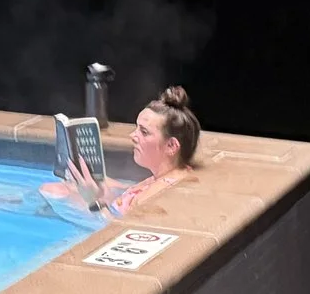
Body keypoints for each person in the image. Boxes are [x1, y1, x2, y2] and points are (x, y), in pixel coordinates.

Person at [44, 85, 201, 219]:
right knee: (61, 188)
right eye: (136, 128)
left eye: (144, 132)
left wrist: (92, 201)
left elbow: (114, 231)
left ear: (171, 146)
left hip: (104, 220)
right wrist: (103, 184)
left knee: (52, 191)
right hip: (112, 208)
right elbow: (131, 193)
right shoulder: (165, 177)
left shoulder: (156, 196)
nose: (132, 136)